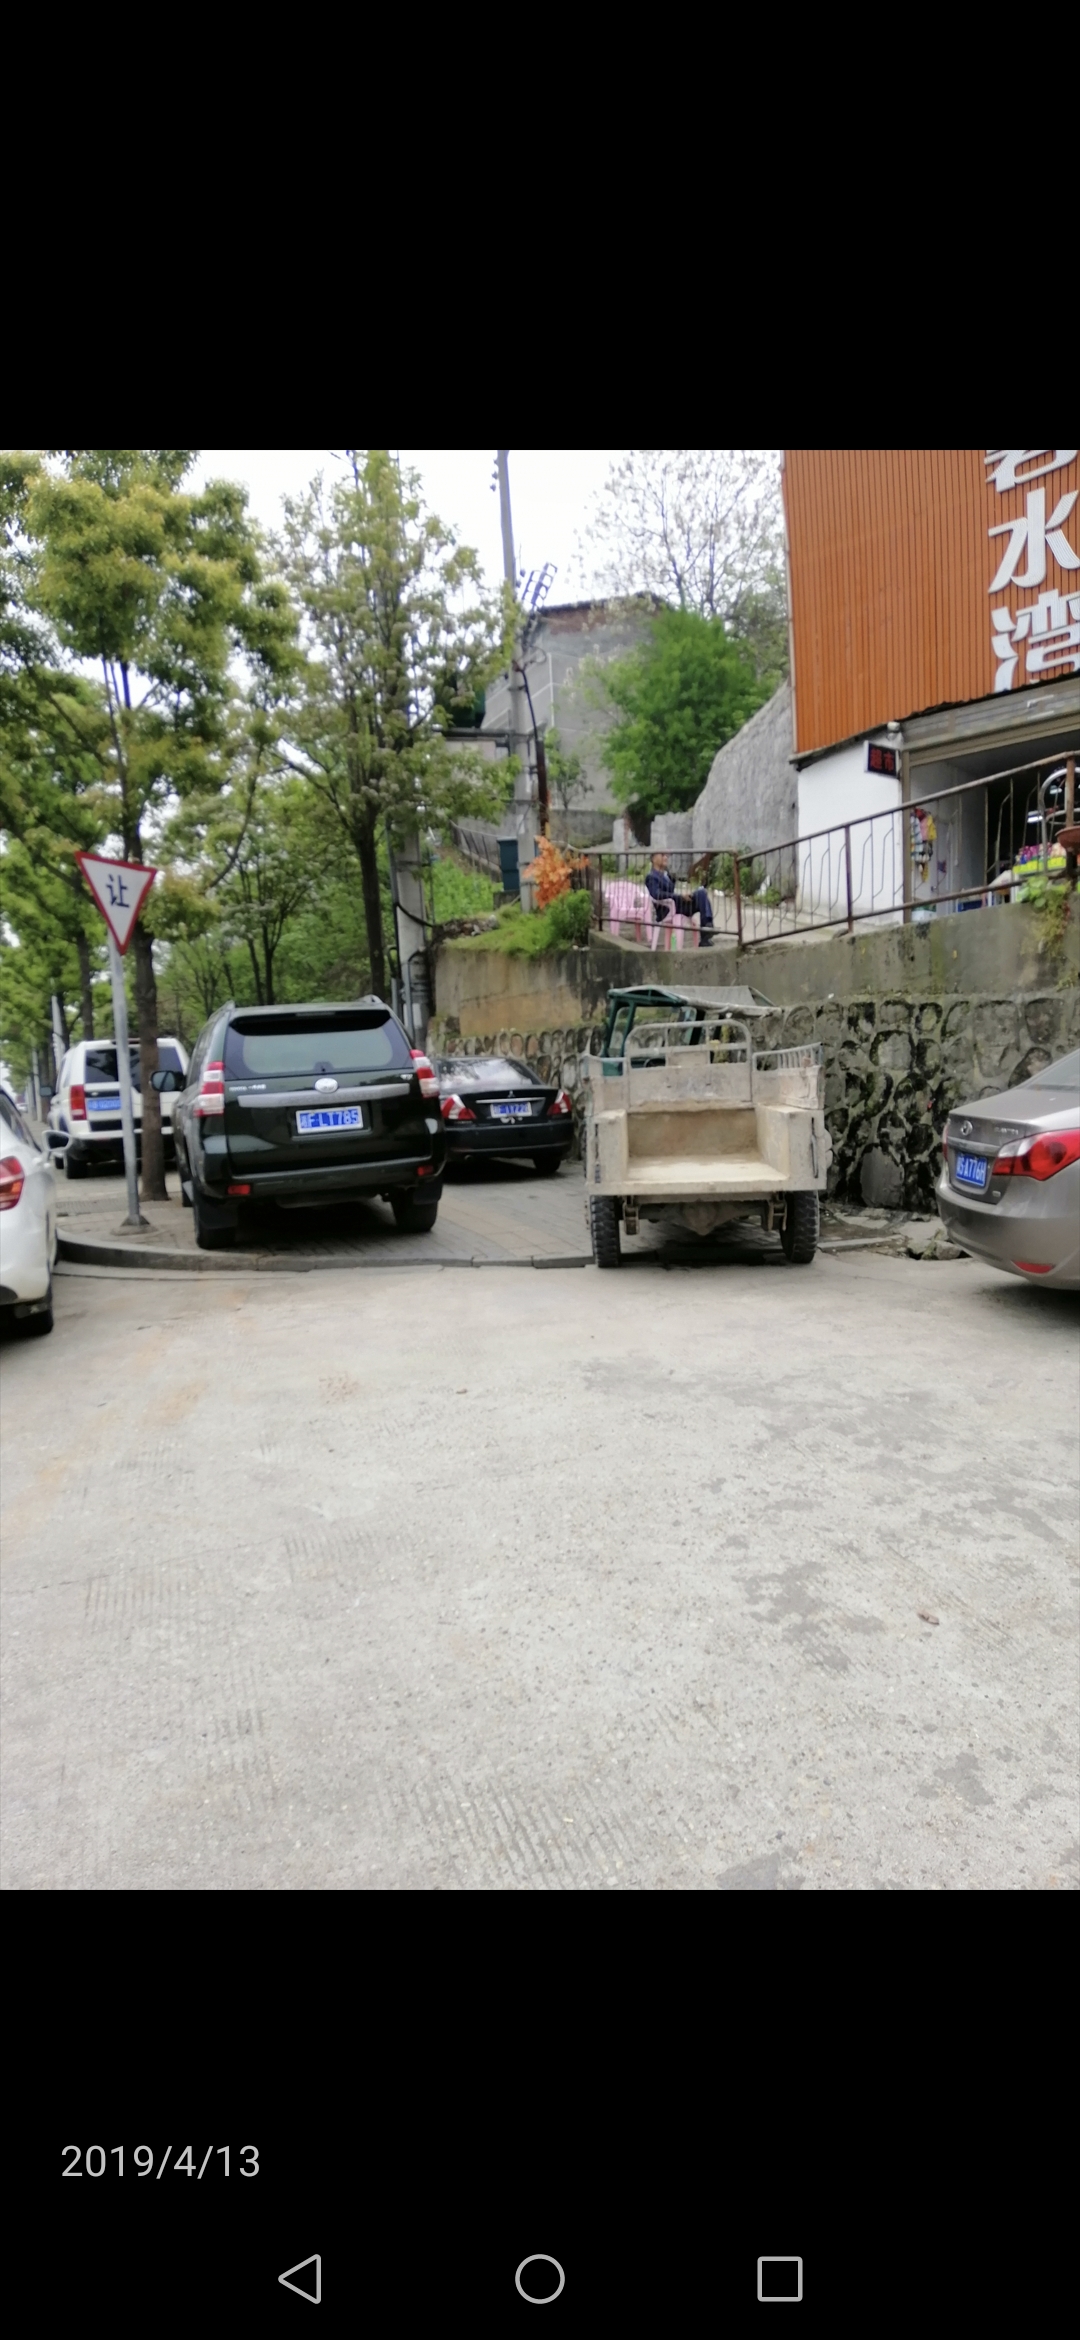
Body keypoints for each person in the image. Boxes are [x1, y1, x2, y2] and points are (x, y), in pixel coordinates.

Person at [644, 852, 715, 942]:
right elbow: (657, 894)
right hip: (667, 910)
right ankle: (706, 930)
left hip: (675, 906)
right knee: (701, 893)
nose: (666, 857)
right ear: (654, 859)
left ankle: (707, 928)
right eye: (662, 855)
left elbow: (670, 891)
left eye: (666, 855)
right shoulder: (651, 876)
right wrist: (680, 896)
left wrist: (674, 881)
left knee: (701, 893)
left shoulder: (664, 875)